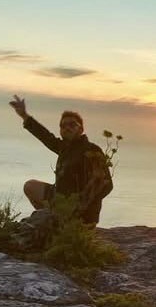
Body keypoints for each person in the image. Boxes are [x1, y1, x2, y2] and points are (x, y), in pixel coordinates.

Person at [9, 95, 112, 224]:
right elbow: (46, 137)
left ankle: (59, 221)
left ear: (81, 129)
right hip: (61, 200)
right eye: (63, 126)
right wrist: (24, 115)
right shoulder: (65, 148)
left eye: (72, 124)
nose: (67, 127)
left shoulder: (92, 151)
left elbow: (107, 185)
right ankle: (53, 219)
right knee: (30, 186)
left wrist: (83, 205)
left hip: (81, 212)